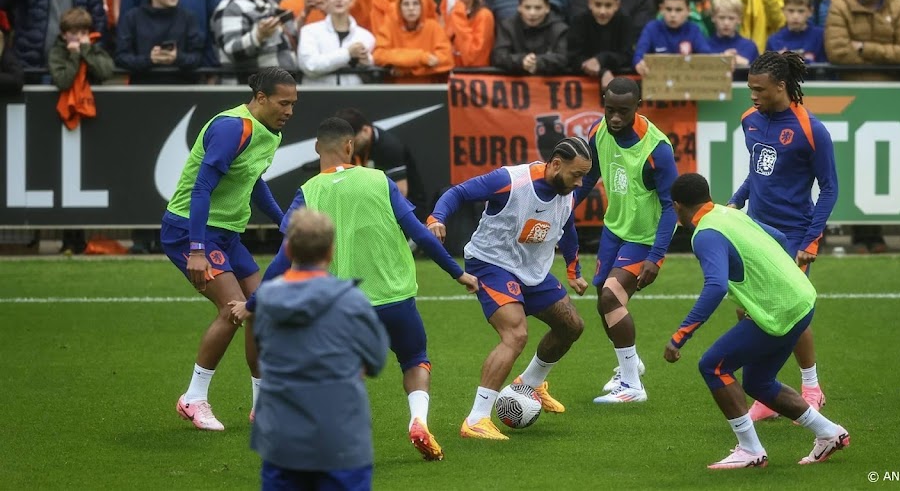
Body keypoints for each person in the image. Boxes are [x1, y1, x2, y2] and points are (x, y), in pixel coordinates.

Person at [234, 117, 478, 461]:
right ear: (351, 147)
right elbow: (420, 233)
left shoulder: (308, 192)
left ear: (318, 148)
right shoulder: (380, 180)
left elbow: (283, 257)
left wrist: (254, 302)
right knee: (415, 360)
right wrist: (458, 273)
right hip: (395, 298)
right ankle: (418, 420)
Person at [665, 172, 850, 469]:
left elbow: (716, 287)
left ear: (676, 206)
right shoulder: (729, 213)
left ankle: (750, 449)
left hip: (778, 311)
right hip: (802, 300)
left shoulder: (704, 234)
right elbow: (778, 237)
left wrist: (680, 335)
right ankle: (829, 433)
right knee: (758, 382)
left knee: (712, 366)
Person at [428, 137, 592, 439]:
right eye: (576, 174)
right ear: (556, 164)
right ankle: (476, 419)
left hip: (532, 270)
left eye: (584, 176)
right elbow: (458, 192)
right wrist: (437, 217)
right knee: (515, 334)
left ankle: (530, 384)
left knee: (571, 326)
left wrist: (573, 270)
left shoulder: (566, 191)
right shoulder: (510, 180)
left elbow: (567, 229)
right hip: (490, 264)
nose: (580, 183)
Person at [160, 67, 296, 431]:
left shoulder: (271, 132)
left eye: (293, 104)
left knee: (259, 307)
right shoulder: (232, 128)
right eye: (284, 103)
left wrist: (283, 222)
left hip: (228, 235)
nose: (289, 110)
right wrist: (197, 248)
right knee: (233, 309)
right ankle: (193, 398)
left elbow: (253, 182)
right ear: (261, 98)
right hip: (190, 231)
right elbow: (201, 189)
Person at [726, 50, 838, 421]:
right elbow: (757, 173)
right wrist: (736, 201)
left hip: (792, 234)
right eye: (749, 89)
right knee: (748, 310)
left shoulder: (811, 129)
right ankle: (767, 390)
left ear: (781, 86)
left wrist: (811, 241)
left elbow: (830, 188)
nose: (753, 96)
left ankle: (811, 387)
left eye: (759, 89)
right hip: (756, 230)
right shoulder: (749, 121)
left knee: (790, 313)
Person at [248, 207, 389, 491]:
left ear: (288, 250)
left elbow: (262, 352)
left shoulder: (265, 300)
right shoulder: (352, 301)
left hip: (281, 441)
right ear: (331, 251)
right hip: (341, 440)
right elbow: (376, 359)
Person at [576, 77, 679, 402]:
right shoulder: (598, 131)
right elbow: (589, 176)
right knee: (602, 299)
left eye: (623, 111)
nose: (615, 118)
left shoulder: (656, 150)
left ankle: (633, 385)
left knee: (610, 298)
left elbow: (671, 207)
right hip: (614, 229)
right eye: (610, 110)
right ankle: (629, 364)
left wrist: (657, 256)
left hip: (645, 239)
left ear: (638, 106)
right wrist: (560, 211)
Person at [212, 0, 298, 81]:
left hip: (275, 88)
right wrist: (258, 36)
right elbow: (232, 50)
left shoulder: (268, 1)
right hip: (248, 90)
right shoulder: (230, 7)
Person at [115, 0, 204, 84]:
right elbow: (121, 57)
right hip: (143, 90)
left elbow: (197, 57)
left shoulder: (189, 17)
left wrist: (177, 57)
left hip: (182, 89)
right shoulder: (132, 18)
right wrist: (149, 59)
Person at [337, 106, 427, 219]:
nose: (350, 147)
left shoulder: (389, 148)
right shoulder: (353, 149)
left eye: (353, 142)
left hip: (406, 209)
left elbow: (400, 193)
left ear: (365, 130)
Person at [297, 0, 374, 85]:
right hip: (317, 98)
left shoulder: (366, 36)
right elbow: (310, 66)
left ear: (351, 0)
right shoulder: (309, 31)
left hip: (353, 98)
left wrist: (366, 62)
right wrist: (347, 53)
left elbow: (371, 72)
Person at [568, 0, 637, 88]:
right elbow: (573, 57)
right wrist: (603, 72)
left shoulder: (625, 20)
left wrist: (601, 59)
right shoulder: (579, 21)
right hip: (586, 84)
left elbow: (627, 55)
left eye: (608, 5)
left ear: (617, 5)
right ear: (590, 3)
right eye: (598, 5)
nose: (602, 11)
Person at [492, 0, 569, 76]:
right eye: (527, 7)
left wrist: (538, 62)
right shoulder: (507, 26)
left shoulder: (560, 29)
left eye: (538, 8)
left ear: (547, 8)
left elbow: (564, 58)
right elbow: (499, 56)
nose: (532, 13)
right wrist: (521, 61)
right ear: (519, 7)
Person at [768, 0, 827, 64]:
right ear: (783, 10)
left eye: (801, 11)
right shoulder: (774, 40)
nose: (795, 16)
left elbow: (827, 70)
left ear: (810, 11)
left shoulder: (820, 36)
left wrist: (804, 61)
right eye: (791, 11)